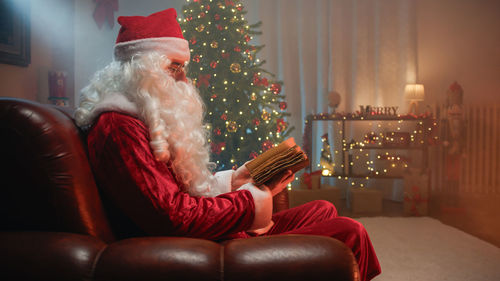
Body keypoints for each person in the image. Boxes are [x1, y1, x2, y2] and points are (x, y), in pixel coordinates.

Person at [75, 8, 381, 281]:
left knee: (323, 209)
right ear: (142, 71)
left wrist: (238, 179)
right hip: (195, 244)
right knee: (350, 233)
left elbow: (180, 192)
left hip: (208, 232)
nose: (184, 79)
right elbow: (173, 217)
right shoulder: (119, 128)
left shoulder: (144, 118)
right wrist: (250, 200)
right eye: (174, 67)